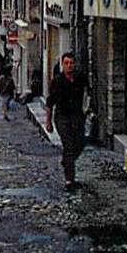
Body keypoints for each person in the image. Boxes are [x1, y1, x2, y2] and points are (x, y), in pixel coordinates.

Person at [45, 52, 89, 191]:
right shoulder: (57, 81)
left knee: (80, 144)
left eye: (71, 63)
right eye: (66, 63)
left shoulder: (80, 78)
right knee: (68, 145)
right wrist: (48, 122)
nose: (69, 66)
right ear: (62, 65)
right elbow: (50, 102)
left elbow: (88, 93)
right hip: (62, 116)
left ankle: (66, 162)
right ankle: (69, 179)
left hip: (77, 116)